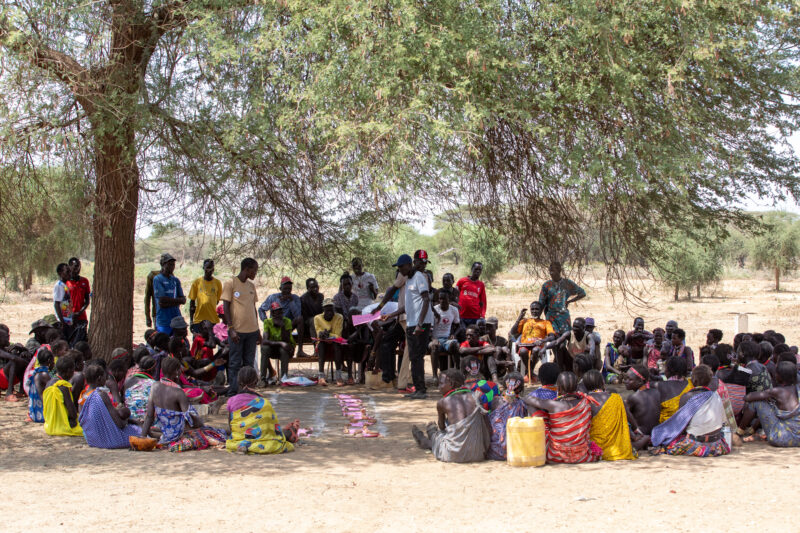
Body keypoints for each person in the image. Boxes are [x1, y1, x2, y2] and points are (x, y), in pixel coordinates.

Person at [141, 356, 227, 452]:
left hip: (166, 436)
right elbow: (193, 421)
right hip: (178, 435)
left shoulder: (154, 387)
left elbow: (149, 416)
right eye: (179, 370)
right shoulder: (178, 392)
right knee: (215, 432)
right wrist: (200, 422)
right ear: (176, 372)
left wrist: (142, 437)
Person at [411, 369, 490, 463]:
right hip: (478, 454)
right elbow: (486, 424)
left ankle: (426, 440)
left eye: (441, 383)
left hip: (453, 455)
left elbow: (442, 427)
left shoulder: (443, 402)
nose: (439, 387)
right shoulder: (477, 396)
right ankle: (431, 434)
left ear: (451, 384)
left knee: (436, 434)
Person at [650, 365, 730, 457]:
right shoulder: (716, 396)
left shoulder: (687, 397)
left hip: (696, 444)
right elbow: (722, 422)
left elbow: (681, 425)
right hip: (717, 445)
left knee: (666, 437)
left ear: (694, 381)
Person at [522, 371, 601, 463]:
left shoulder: (553, 405)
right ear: (577, 387)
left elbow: (527, 399)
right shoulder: (586, 402)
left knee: (532, 406)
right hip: (581, 454)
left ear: (558, 389)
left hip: (555, 454)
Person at [225, 367, 296, 454]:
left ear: (238, 382)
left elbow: (231, 426)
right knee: (280, 439)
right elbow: (271, 429)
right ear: (256, 381)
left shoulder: (231, 401)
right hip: (263, 440)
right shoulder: (265, 403)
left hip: (238, 439)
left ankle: (244, 445)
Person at [221, 258, 261, 396]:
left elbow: (253, 307)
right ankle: (234, 391)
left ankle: (247, 391)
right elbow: (226, 306)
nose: (255, 273)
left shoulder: (251, 286)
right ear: (247, 269)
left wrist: (258, 330)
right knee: (235, 363)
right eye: (254, 270)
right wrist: (230, 328)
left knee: (249, 364)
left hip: (252, 331)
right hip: (237, 331)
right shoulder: (230, 283)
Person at [79, 364, 141, 448]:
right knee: (139, 430)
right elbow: (120, 424)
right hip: (110, 440)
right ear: (99, 378)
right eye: (106, 377)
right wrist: (127, 420)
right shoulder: (101, 395)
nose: (107, 379)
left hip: (92, 440)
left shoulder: (82, 397)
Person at [375, 256, 411, 391]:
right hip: (401, 318)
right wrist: (380, 307)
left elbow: (393, 291)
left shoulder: (414, 277)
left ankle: (404, 381)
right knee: (386, 342)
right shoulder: (403, 276)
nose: (399, 270)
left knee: (409, 349)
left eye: (401, 267)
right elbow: (392, 291)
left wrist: (381, 308)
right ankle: (389, 378)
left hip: (409, 318)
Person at [745, 361, 800, 447]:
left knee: (757, 402)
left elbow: (748, 397)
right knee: (770, 405)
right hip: (798, 438)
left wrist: (766, 396)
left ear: (780, 376)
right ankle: (752, 430)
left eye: (776, 373)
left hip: (781, 438)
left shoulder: (777, 391)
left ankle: (739, 432)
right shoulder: (797, 389)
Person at [584, 369, 636, 460]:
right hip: (618, 448)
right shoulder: (616, 398)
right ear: (603, 382)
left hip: (595, 449)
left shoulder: (585, 401)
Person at [403, 250, 434, 399]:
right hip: (412, 322)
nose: (423, 265)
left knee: (417, 357)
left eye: (425, 262)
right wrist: (392, 314)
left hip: (420, 323)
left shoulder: (420, 277)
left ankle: (421, 390)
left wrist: (420, 324)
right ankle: (418, 388)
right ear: (414, 262)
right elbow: (409, 304)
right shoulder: (410, 278)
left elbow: (426, 299)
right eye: (421, 262)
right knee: (414, 357)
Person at [259, 276, 306, 357]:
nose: (287, 291)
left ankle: (300, 350)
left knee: (300, 319)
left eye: (289, 289)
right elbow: (261, 309)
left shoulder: (295, 298)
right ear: (280, 289)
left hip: (288, 325)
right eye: (285, 289)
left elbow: (297, 315)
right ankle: (268, 359)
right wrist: (266, 321)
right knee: (265, 339)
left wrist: (291, 301)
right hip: (275, 325)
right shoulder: (273, 297)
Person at [537, 261, 586, 336]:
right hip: (551, 316)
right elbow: (541, 303)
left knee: (565, 337)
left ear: (559, 270)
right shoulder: (547, 285)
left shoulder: (567, 283)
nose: (551, 273)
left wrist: (569, 301)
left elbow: (582, 293)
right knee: (553, 337)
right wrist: (538, 318)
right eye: (550, 271)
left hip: (563, 316)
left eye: (553, 271)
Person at [510, 301, 555, 380]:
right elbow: (513, 332)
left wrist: (542, 341)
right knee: (523, 351)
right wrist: (519, 318)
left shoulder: (545, 323)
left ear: (541, 310)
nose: (534, 311)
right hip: (524, 345)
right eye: (532, 309)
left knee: (536, 350)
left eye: (537, 309)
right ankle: (530, 372)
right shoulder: (525, 321)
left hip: (538, 345)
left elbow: (552, 337)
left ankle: (529, 373)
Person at [487, 372, 527, 460]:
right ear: (521, 389)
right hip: (515, 451)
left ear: (504, 385)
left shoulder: (495, 400)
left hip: (494, 451)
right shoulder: (523, 404)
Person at [42, 355, 83, 436]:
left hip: (49, 425)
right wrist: (73, 419)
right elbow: (72, 412)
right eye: (73, 370)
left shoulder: (49, 383)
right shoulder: (63, 386)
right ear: (68, 371)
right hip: (61, 426)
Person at [429, 290, 462, 379]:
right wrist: (433, 339)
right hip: (435, 339)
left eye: (444, 299)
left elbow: (458, 326)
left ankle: (457, 373)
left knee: (455, 345)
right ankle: (435, 376)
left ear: (449, 299)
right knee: (434, 346)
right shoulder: (434, 310)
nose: (442, 301)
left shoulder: (454, 310)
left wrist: (454, 334)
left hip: (447, 339)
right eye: (440, 299)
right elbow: (428, 328)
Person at [623, 364, 662, 439]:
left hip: (641, 435)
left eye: (630, 379)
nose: (625, 381)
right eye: (625, 378)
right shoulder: (656, 392)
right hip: (656, 434)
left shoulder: (633, 397)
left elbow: (625, 415)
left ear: (640, 381)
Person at [313, 298, 345, 386]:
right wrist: (323, 335)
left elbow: (338, 335)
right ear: (323, 310)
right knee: (321, 345)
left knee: (336, 345)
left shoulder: (339, 317)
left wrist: (328, 335)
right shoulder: (317, 318)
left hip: (335, 343)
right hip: (322, 343)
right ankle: (321, 376)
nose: (330, 312)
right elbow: (318, 333)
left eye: (331, 310)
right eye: (327, 310)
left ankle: (338, 376)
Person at [261, 301, 295, 383]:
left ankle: (284, 377)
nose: (280, 315)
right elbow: (264, 341)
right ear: (272, 314)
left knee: (284, 349)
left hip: (286, 348)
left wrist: (282, 327)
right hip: (273, 348)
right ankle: (262, 378)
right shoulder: (267, 322)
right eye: (277, 313)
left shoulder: (287, 321)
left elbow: (286, 341)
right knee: (264, 348)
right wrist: (280, 343)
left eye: (281, 312)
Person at [152, 253, 186, 335]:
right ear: (163, 265)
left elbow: (183, 300)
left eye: (173, 264)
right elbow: (162, 301)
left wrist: (168, 302)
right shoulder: (158, 279)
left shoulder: (175, 280)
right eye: (169, 264)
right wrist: (177, 301)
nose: (172, 267)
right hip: (164, 320)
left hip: (176, 319)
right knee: (163, 341)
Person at [188, 259, 223, 334]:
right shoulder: (197, 282)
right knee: (198, 340)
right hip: (198, 320)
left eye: (211, 267)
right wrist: (191, 321)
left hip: (213, 320)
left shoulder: (218, 283)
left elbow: (216, 301)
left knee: (212, 340)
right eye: (207, 267)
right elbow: (192, 303)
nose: (209, 270)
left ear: (213, 269)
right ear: (203, 268)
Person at [656, 356, 693, 423]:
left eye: (665, 368)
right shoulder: (691, 383)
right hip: (686, 423)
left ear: (670, 370)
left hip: (666, 426)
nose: (664, 371)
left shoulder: (660, 386)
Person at [124, 355, 157, 423]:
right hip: (146, 422)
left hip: (130, 419)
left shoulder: (127, 380)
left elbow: (124, 399)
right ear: (152, 370)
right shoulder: (154, 384)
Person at [66, 257, 91, 345]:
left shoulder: (84, 281)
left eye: (78, 267)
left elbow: (87, 300)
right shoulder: (66, 282)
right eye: (75, 267)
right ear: (69, 267)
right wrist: (70, 314)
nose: (77, 269)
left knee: (81, 342)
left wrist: (80, 312)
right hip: (69, 318)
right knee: (69, 342)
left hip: (81, 317)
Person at [27, 349, 54, 423]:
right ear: (49, 360)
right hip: (41, 414)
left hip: (34, 413)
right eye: (53, 360)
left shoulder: (36, 372)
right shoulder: (44, 375)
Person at [456, 262, 487, 326]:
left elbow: (483, 301)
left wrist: (482, 315)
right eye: (476, 269)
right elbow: (455, 295)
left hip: (475, 316)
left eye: (480, 270)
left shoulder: (481, 285)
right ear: (472, 269)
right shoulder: (462, 281)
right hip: (461, 315)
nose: (478, 271)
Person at [300, 277, 324, 344]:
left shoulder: (321, 296)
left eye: (316, 286)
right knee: (313, 320)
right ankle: (316, 344)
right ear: (308, 288)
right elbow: (305, 317)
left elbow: (322, 311)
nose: (315, 289)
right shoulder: (303, 299)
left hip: (320, 319)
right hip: (308, 323)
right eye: (312, 287)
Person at [53, 263, 73, 342]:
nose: (70, 274)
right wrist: (62, 322)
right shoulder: (59, 286)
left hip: (67, 320)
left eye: (70, 271)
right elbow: (57, 304)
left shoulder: (65, 285)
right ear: (60, 273)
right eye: (67, 271)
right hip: (63, 321)